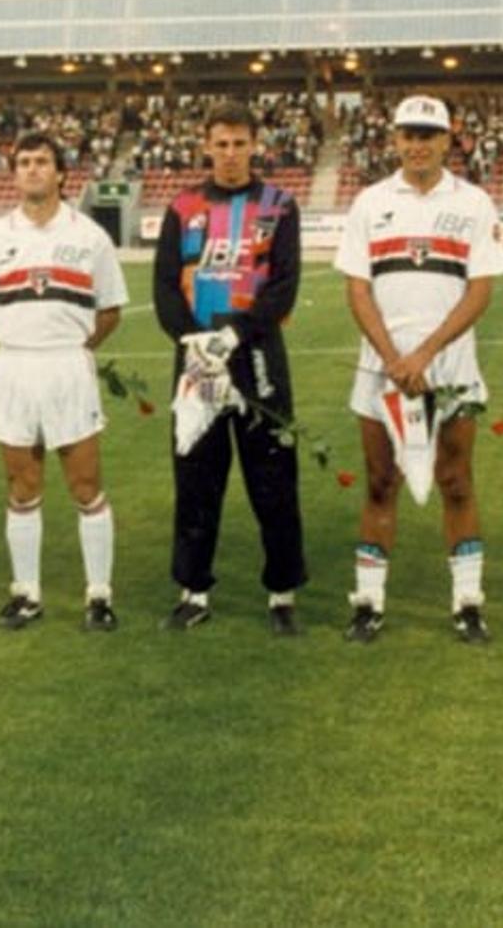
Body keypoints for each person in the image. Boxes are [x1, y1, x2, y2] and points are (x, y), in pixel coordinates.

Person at [333, 95, 503, 643]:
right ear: (394, 140)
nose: (417, 145)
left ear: (448, 140)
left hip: (451, 369)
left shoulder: (475, 202)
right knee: (380, 481)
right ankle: (369, 602)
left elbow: (481, 289)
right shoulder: (369, 201)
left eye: (428, 135)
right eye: (408, 135)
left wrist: (427, 353)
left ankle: (467, 602)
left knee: (455, 481)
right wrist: (394, 358)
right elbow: (357, 289)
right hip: (379, 370)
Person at [152, 100, 306, 634]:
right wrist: (195, 343)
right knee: (196, 478)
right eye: (222, 143)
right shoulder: (183, 207)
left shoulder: (280, 205)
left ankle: (282, 592)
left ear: (255, 146)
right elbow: (165, 287)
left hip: (257, 357)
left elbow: (285, 284)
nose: (232, 154)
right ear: (206, 145)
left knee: (273, 479)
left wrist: (236, 334)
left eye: (241, 144)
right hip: (198, 364)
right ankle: (194, 590)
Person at [0, 133, 128, 632]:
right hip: (13, 369)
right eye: (24, 162)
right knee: (22, 487)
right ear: (14, 173)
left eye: (42, 162)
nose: (32, 169)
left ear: (61, 174)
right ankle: (27, 593)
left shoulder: (89, 236)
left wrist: (71, 347)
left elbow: (110, 310)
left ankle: (99, 595)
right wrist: (24, 341)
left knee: (85, 486)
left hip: (67, 369)